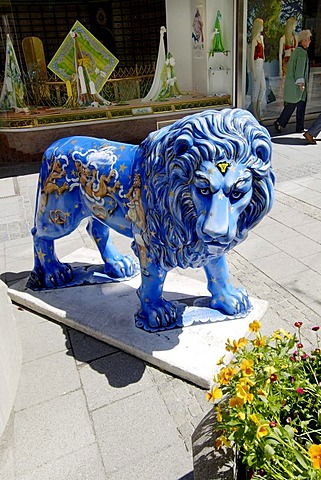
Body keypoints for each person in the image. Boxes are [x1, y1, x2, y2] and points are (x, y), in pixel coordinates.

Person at [274, 29, 312, 134]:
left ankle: (299, 127)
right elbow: (299, 69)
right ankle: (279, 122)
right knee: (293, 105)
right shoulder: (301, 53)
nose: (309, 41)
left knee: (300, 105)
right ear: (303, 40)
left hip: (294, 83)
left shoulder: (297, 51)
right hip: (297, 85)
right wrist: (301, 84)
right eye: (308, 39)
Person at [249, 18, 266, 121]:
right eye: (261, 25)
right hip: (256, 64)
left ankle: (258, 110)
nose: (263, 27)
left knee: (263, 88)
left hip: (261, 64)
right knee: (255, 90)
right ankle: (255, 113)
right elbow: (251, 57)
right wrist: (254, 71)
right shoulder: (254, 40)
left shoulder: (261, 38)